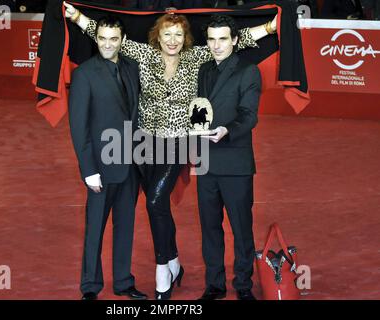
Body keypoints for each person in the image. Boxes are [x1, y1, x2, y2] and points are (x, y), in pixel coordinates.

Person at [64, 1, 276, 300]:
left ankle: (164, 268)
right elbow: (107, 37)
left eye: (178, 35)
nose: (173, 40)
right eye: (167, 35)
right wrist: (76, 16)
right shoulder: (144, 54)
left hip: (178, 142)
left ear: (185, 37)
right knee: (157, 207)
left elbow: (236, 41)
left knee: (154, 201)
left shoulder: (197, 58)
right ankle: (174, 260)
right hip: (144, 146)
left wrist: (269, 27)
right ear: (158, 36)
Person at [68, 15, 147, 300]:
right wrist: (88, 169)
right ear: (96, 38)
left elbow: (135, 116)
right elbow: (79, 127)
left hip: (131, 166)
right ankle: (90, 287)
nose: (107, 44)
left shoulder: (132, 67)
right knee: (95, 231)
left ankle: (124, 282)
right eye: (102, 38)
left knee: (125, 228)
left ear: (122, 40)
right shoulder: (84, 74)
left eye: (113, 39)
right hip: (100, 168)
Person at [196, 15, 261, 300]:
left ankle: (243, 285)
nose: (217, 45)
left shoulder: (248, 71)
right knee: (210, 228)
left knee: (241, 229)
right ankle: (215, 285)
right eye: (211, 39)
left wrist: (226, 130)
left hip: (235, 162)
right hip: (205, 161)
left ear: (235, 40)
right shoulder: (203, 70)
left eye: (223, 39)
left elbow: (249, 116)